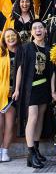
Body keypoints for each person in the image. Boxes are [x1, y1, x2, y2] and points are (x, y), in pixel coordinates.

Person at [13, 20, 56, 168]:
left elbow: (52, 73)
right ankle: (30, 154)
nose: (38, 30)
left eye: (40, 27)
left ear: (45, 30)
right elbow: (19, 69)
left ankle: (36, 149)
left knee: (40, 119)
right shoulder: (26, 48)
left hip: (43, 88)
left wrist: (53, 91)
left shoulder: (49, 50)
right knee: (33, 117)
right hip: (30, 88)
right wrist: (17, 89)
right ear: (31, 32)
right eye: (35, 28)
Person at [0, 28, 21, 162]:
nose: (10, 38)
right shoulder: (1, 54)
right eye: (7, 36)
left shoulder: (22, 52)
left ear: (17, 37)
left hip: (13, 94)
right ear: (3, 39)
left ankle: (5, 151)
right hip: (1, 93)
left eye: (13, 35)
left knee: (9, 125)